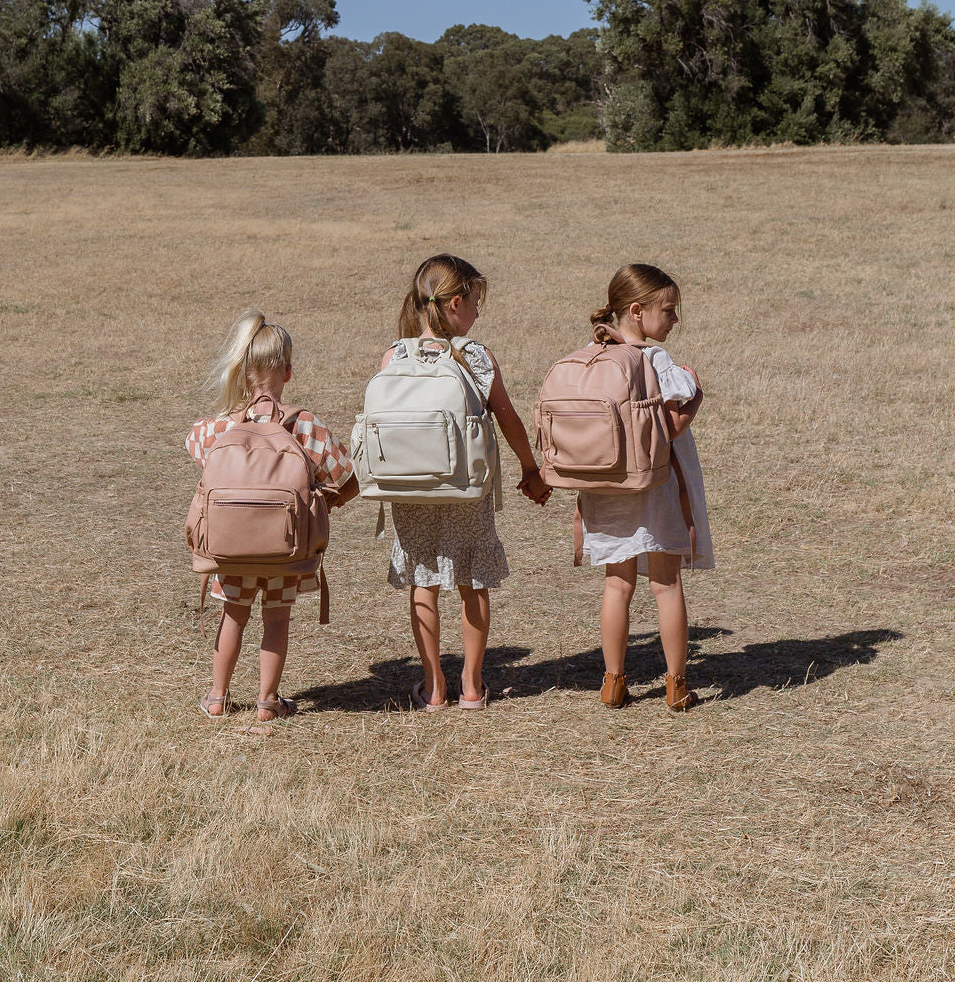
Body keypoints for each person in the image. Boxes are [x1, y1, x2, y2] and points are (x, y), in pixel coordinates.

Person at [380, 254, 550, 711]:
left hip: (412, 486)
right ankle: (471, 686)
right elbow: (509, 420)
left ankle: (434, 687)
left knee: (424, 580)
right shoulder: (475, 356)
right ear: (455, 303)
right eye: (475, 302)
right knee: (472, 580)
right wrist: (530, 470)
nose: (477, 312)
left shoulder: (395, 355)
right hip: (466, 486)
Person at [186, 309, 357, 721]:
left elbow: (192, 442)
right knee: (277, 620)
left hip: (230, 548)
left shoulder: (222, 428)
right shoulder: (305, 426)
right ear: (288, 371)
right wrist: (321, 502)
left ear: (243, 372)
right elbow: (348, 478)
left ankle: (217, 697)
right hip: (285, 548)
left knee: (233, 615)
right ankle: (267, 702)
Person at [580, 264, 713, 712]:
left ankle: (613, 682)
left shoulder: (593, 356)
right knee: (666, 584)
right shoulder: (655, 359)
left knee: (616, 585)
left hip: (607, 484)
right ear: (637, 311)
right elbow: (674, 420)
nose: (675, 319)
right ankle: (676, 684)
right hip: (654, 483)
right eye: (669, 310)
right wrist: (696, 393)